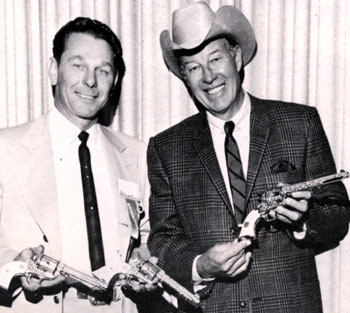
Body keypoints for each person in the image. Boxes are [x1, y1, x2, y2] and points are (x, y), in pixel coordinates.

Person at [147, 2, 350, 313]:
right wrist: (201, 265)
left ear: (237, 57)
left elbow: (338, 215)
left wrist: (302, 221)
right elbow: (163, 239)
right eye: (193, 67)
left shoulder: (299, 123)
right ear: (184, 78)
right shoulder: (166, 147)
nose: (208, 76)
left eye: (215, 59)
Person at [0, 17, 153, 313]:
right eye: (78, 65)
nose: (90, 81)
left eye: (103, 70)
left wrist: (144, 261)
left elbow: (147, 237)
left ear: (115, 80)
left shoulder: (135, 153)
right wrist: (17, 266)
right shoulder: (4, 149)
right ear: (54, 70)